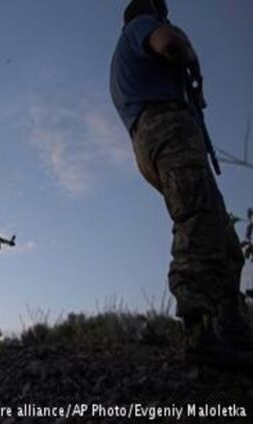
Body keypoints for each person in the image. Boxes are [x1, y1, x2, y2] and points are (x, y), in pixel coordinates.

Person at [110, 0, 253, 372]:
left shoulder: (125, 50)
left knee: (220, 233)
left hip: (155, 135)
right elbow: (168, 43)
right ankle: (199, 336)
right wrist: (185, 50)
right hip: (166, 128)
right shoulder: (142, 26)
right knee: (197, 224)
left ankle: (233, 327)